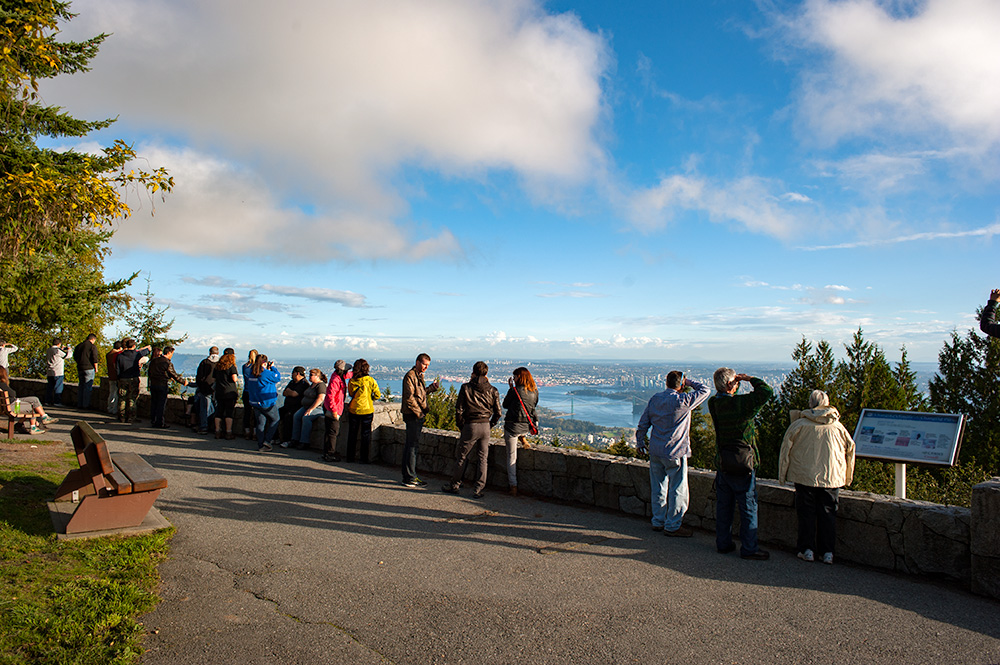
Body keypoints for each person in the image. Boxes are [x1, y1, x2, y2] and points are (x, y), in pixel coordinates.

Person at [779, 389, 856, 565]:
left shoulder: (799, 425)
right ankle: (827, 552)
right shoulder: (837, 427)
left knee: (806, 514)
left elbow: (785, 451)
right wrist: (847, 477)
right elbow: (851, 449)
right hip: (831, 477)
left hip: (804, 475)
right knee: (828, 514)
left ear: (810, 404)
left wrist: (782, 476)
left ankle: (806, 549)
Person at [708, 367, 774, 560]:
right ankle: (749, 547)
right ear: (730, 384)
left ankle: (723, 543)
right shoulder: (742, 405)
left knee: (724, 506)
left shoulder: (714, 404)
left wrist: (734, 382)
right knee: (748, 506)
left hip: (723, 462)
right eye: (735, 381)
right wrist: (749, 378)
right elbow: (766, 392)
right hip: (743, 464)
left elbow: (720, 397)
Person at [636, 371, 710, 536]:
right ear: (681, 384)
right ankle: (673, 525)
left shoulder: (655, 399)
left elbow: (643, 423)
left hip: (655, 450)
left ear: (666, 382)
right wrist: (689, 382)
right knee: (678, 489)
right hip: (675, 452)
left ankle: (658, 521)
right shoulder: (683, 401)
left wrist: (640, 442)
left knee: (658, 487)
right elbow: (705, 390)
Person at [442, 361, 501, 498]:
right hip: (485, 425)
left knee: (462, 456)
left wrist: (462, 426)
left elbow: (459, 410)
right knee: (483, 458)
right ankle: (478, 489)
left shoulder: (466, 388)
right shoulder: (493, 390)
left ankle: (455, 485)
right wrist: (490, 425)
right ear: (486, 374)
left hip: (471, 425)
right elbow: (498, 413)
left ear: (473, 372)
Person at [400, 353, 440, 487]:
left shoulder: (418, 376)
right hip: (413, 415)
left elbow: (420, 395)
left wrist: (431, 389)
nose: (425, 368)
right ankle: (410, 477)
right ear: (417, 362)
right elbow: (409, 398)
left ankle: (409, 475)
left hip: (415, 415)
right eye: (424, 364)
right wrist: (419, 414)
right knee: (412, 446)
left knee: (411, 445)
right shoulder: (410, 376)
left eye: (427, 365)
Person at [501, 366, 538, 496]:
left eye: (515, 376)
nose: (514, 378)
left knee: (511, 456)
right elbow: (532, 408)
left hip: (512, 426)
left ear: (519, 377)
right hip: (526, 426)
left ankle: (513, 485)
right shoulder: (534, 392)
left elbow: (505, 405)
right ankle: (523, 438)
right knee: (519, 432)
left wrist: (511, 389)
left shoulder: (515, 391)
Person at [0, 366, 56, 433]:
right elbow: (13, 394)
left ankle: (44, 417)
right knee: (32, 406)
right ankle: (33, 427)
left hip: (7, 405)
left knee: (34, 399)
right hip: (12, 406)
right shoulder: (2, 384)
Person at [346, 358, 381, 463]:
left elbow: (351, 394)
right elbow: (378, 394)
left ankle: (350, 457)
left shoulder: (352, 381)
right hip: (367, 410)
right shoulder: (370, 380)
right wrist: (371, 399)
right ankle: (363, 458)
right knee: (365, 435)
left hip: (354, 409)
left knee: (352, 433)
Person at [244, 353, 281, 452]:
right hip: (266, 402)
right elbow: (277, 377)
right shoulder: (264, 373)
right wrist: (273, 368)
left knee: (260, 423)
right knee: (275, 419)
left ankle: (261, 444)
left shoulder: (252, 372)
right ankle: (267, 440)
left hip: (255, 402)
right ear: (264, 363)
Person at [148, 345, 188, 428]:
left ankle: (153, 420)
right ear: (169, 353)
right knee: (161, 404)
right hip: (162, 385)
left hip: (153, 384)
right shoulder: (167, 363)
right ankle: (160, 422)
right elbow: (174, 374)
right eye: (172, 353)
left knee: (154, 403)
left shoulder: (154, 361)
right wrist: (183, 381)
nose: (172, 355)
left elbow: (150, 372)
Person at [115, 339, 151, 424]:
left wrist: (119, 378)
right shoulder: (136, 354)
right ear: (134, 346)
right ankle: (131, 417)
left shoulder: (119, 356)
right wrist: (147, 348)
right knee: (132, 398)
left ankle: (122, 416)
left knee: (122, 398)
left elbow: (117, 369)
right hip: (133, 378)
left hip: (123, 378)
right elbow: (146, 351)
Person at [322, 360, 352, 462]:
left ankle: (326, 452)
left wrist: (358, 372)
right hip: (333, 409)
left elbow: (348, 375)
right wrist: (334, 411)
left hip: (332, 407)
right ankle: (330, 453)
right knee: (333, 432)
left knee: (329, 432)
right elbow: (331, 396)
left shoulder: (338, 376)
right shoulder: (336, 380)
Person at [290, 368, 326, 449]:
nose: (309, 377)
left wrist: (311, 409)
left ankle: (304, 441)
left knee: (306, 418)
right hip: (305, 407)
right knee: (296, 416)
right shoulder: (311, 385)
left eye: (311, 375)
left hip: (317, 408)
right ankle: (295, 439)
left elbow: (320, 398)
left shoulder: (321, 385)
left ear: (317, 376)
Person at [213, 348, 240, 440]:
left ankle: (217, 431)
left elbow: (214, 378)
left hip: (219, 391)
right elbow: (234, 379)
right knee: (229, 412)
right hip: (229, 392)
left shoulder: (218, 366)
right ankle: (228, 432)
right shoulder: (231, 366)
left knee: (219, 411)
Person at [278, 366, 309, 446]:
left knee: (288, 418)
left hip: (296, 407)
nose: (291, 375)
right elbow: (284, 393)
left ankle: (287, 440)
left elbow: (294, 394)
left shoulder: (303, 383)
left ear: (297, 373)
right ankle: (276, 437)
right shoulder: (292, 382)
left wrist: (290, 392)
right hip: (287, 406)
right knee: (276, 415)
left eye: (293, 373)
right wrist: (290, 392)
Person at [193, 346, 219, 434]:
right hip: (216, 388)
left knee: (204, 408)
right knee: (214, 407)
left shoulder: (204, 362)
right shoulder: (220, 363)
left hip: (205, 388)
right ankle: (214, 426)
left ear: (209, 352)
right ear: (218, 353)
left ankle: (204, 426)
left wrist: (200, 386)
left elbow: (199, 376)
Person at [73, 333, 100, 409]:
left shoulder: (79, 346)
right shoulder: (92, 346)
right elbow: (94, 357)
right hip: (89, 367)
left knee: (81, 386)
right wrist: (96, 368)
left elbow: (74, 356)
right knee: (87, 387)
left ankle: (80, 403)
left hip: (80, 367)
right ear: (93, 339)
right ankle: (85, 404)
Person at [43, 338, 70, 406]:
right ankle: (57, 402)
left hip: (50, 371)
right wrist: (69, 350)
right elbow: (67, 356)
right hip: (58, 371)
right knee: (58, 387)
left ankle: (48, 401)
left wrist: (61, 349)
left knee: (50, 387)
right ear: (59, 344)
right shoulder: (57, 351)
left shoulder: (49, 350)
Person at [241, 349, 258, 440]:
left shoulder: (245, 366)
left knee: (247, 412)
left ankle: (247, 431)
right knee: (255, 413)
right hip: (254, 392)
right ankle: (255, 432)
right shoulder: (257, 368)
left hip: (246, 391)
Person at [105, 340, 123, 415]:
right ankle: (114, 409)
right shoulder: (117, 355)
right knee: (116, 394)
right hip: (116, 376)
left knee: (111, 392)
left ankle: (109, 407)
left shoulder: (108, 354)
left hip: (110, 376)